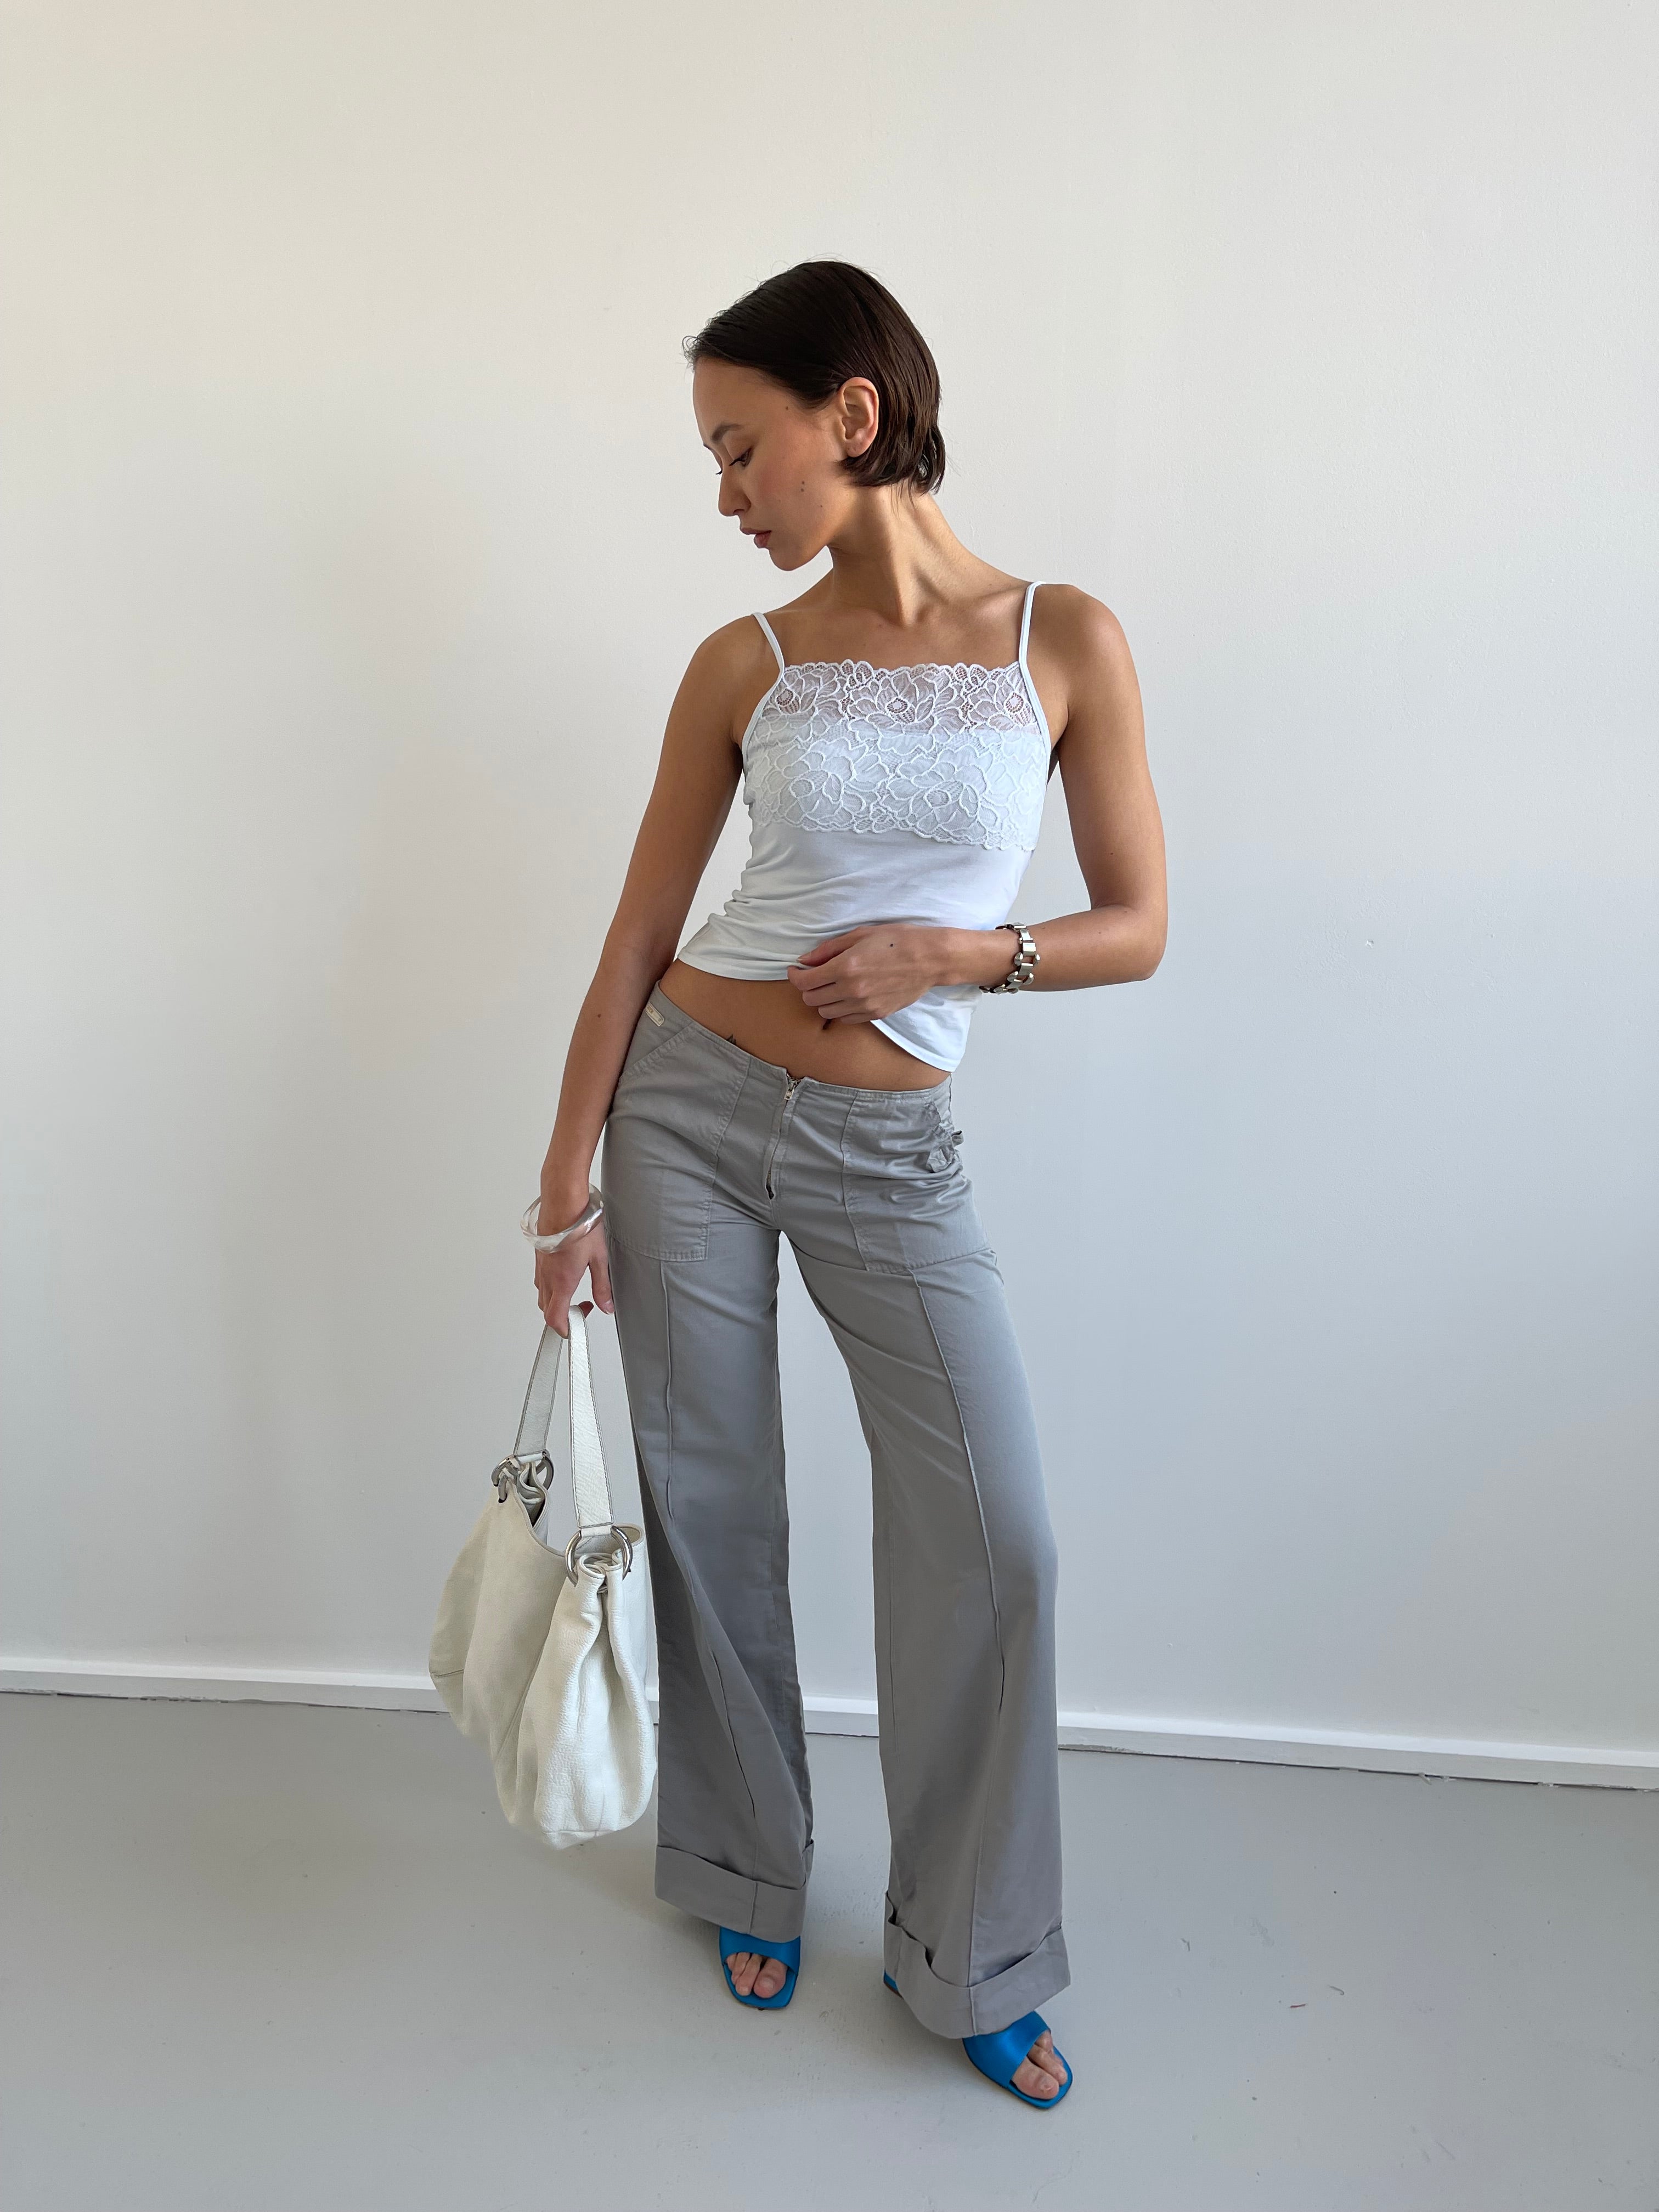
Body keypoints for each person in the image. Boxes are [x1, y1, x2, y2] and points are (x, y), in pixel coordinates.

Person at [528, 260, 1166, 2108]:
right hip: (692, 1109)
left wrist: (961, 961)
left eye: (741, 448)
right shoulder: (748, 660)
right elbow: (640, 934)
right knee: (713, 1499)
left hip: (896, 1146)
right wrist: (562, 1183)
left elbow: (1138, 924)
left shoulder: (1066, 639)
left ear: (854, 416)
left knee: (997, 1534)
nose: (724, 493)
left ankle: (970, 1950)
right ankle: (744, 1862)